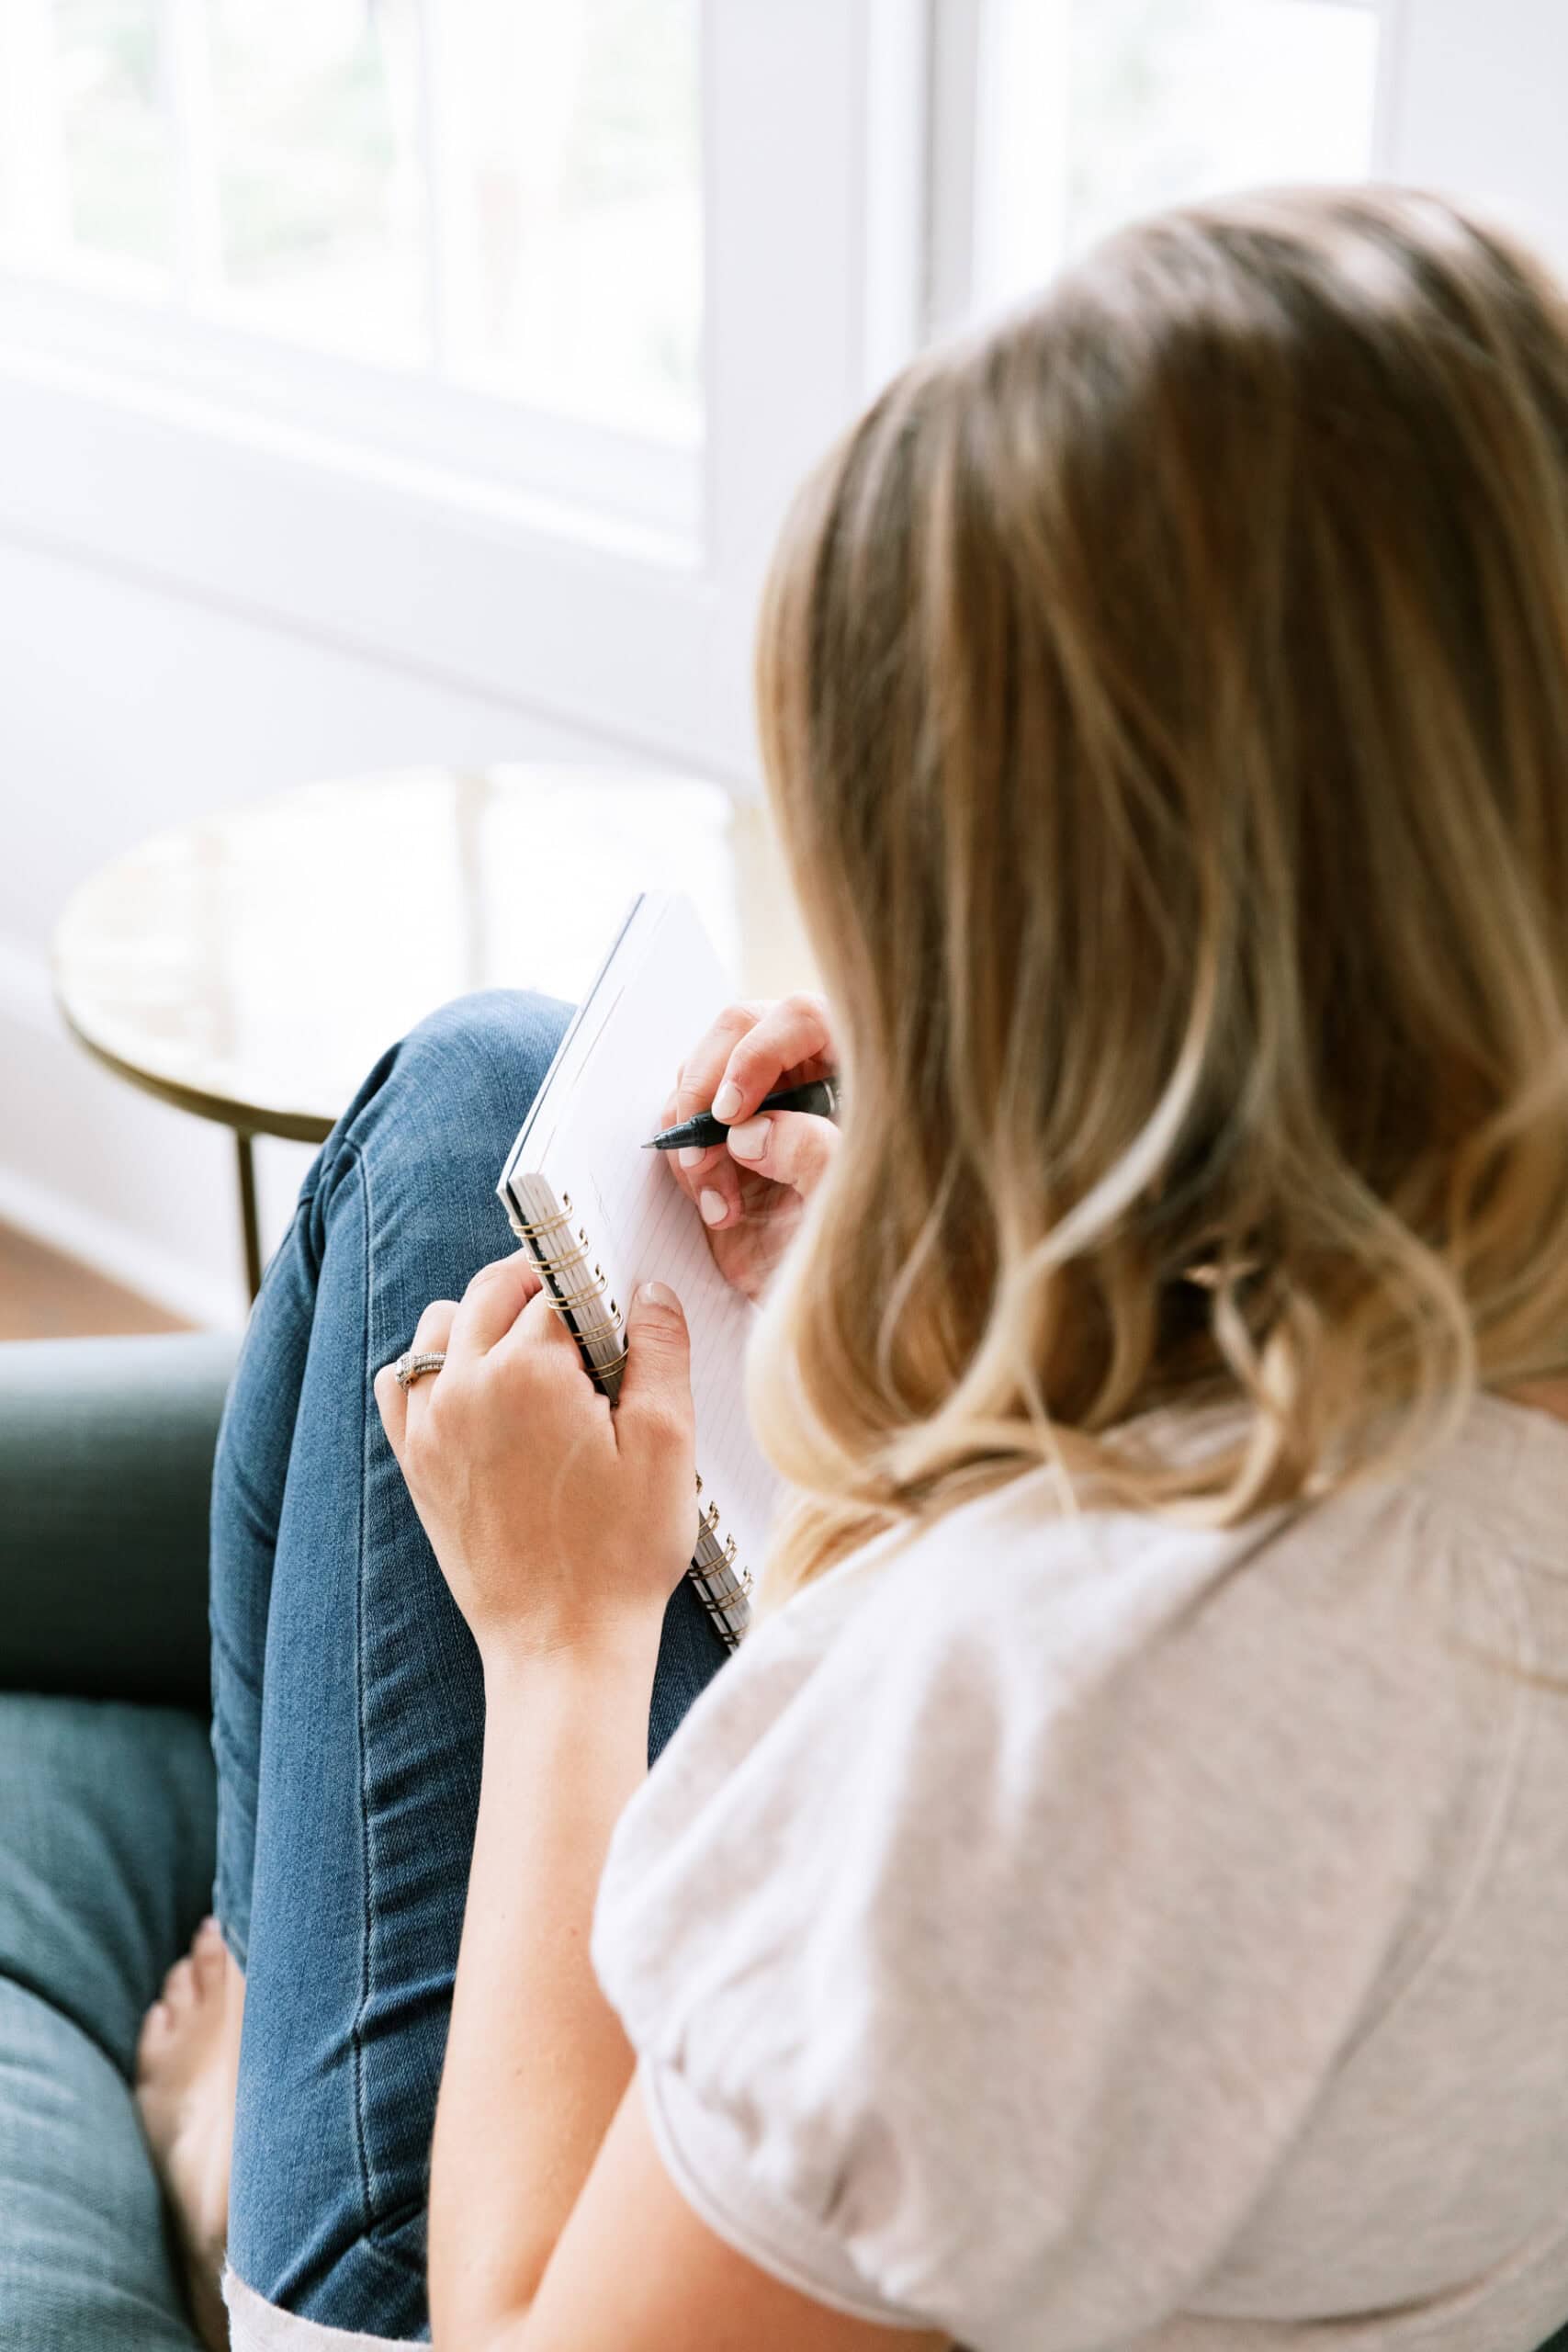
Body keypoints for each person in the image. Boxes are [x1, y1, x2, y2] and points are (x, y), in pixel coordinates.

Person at [134, 184, 1568, 2352]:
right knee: (508, 1099)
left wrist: (561, 1637)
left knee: (448, 1129)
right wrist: (951, 1292)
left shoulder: (1050, 1724)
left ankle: (266, 2172)